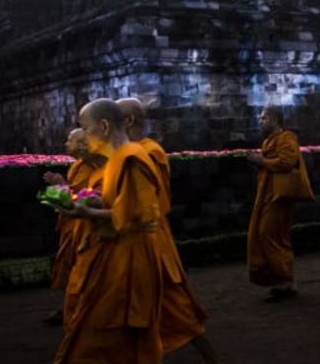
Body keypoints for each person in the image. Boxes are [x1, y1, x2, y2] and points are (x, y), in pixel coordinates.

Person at [53, 99, 165, 364]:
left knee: (101, 339)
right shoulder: (114, 161)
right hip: (111, 256)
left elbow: (136, 218)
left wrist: (85, 212)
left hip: (129, 260)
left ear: (103, 126)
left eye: (86, 129)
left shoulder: (133, 159)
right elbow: (115, 202)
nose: (84, 139)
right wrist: (88, 200)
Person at [118, 98, 216, 362]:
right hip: (131, 241)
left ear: (128, 121)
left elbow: (152, 206)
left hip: (150, 241)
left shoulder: (148, 152)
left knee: (176, 311)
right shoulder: (128, 152)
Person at [246, 106, 315, 300]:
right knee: (265, 234)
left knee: (270, 234)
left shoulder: (287, 138)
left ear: (275, 119)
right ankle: (280, 280)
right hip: (267, 193)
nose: (261, 122)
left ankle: (286, 280)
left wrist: (261, 161)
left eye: (264, 118)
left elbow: (286, 162)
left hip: (279, 196)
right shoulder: (269, 141)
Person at [42, 129, 98, 326]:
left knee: (81, 268)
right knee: (70, 267)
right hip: (70, 225)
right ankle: (71, 307)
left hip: (82, 225)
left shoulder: (91, 168)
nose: (66, 144)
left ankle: (79, 309)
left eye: (70, 140)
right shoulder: (77, 166)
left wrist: (60, 185)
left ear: (82, 144)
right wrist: (57, 190)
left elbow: (81, 202)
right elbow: (66, 203)